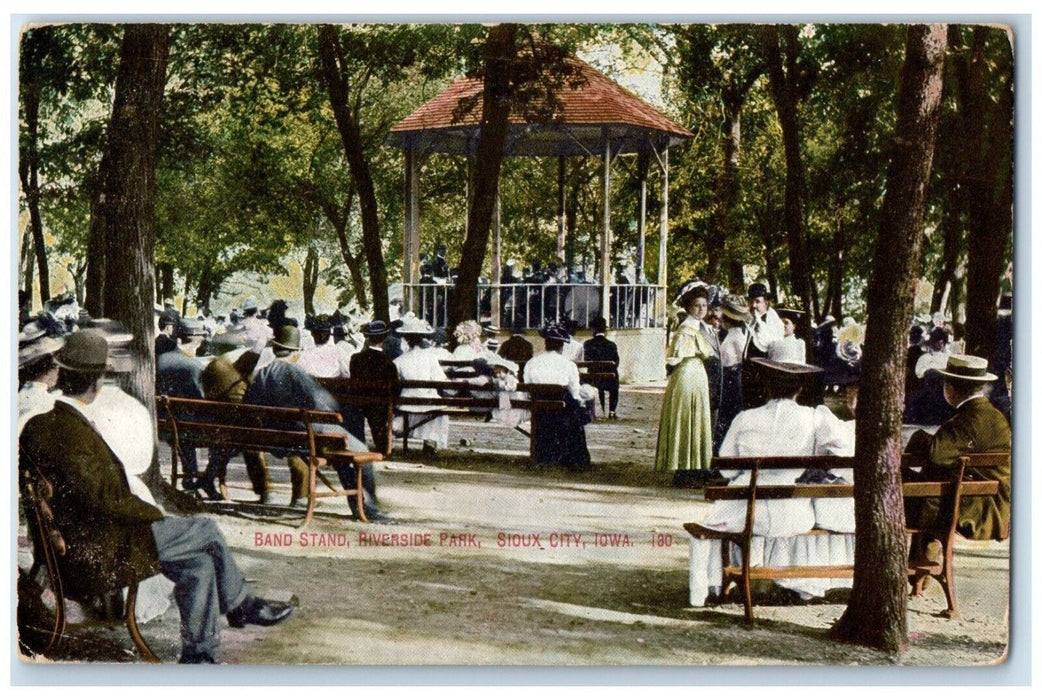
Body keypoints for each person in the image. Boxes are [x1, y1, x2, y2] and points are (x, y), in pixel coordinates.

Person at [20, 331, 294, 664]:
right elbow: (106, 499)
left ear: (62, 375)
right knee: (205, 529)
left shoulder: (41, 425)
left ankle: (199, 654)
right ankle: (242, 605)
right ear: (97, 382)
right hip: (99, 555)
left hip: (78, 549)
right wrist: (155, 516)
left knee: (199, 562)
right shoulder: (71, 430)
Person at [688, 359, 853, 606]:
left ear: (765, 386)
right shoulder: (813, 418)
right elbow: (844, 448)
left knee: (715, 519)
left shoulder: (745, 418)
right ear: (800, 387)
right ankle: (795, 584)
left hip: (744, 513)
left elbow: (726, 469)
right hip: (793, 513)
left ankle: (707, 588)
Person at [244, 326, 385, 520]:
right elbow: (323, 403)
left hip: (277, 437)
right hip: (308, 437)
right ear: (296, 352)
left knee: (342, 453)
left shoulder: (259, 375)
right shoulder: (295, 372)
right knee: (361, 453)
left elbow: (249, 404)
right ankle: (368, 508)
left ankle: (361, 505)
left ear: (276, 349)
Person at [904, 354, 1011, 546]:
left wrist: (919, 437)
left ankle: (916, 567)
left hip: (971, 509)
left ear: (950, 388)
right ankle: (919, 567)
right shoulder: (996, 417)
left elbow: (937, 454)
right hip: (994, 506)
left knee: (898, 486)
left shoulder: (965, 421)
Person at [156, 319, 221, 500]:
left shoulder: (160, 360)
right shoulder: (193, 367)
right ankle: (207, 479)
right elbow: (201, 402)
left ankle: (190, 478)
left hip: (164, 423)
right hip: (185, 426)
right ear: (197, 341)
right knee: (226, 439)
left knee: (185, 429)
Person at [654, 282, 714, 473]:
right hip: (688, 374)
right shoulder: (687, 328)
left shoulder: (700, 326)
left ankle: (694, 466)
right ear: (689, 307)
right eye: (697, 305)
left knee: (695, 417)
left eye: (704, 305)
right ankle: (685, 467)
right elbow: (674, 357)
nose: (701, 309)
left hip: (697, 374)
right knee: (688, 417)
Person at [522, 322, 592, 469]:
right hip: (562, 408)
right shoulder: (568, 365)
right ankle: (575, 458)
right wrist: (582, 403)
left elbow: (527, 386)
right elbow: (575, 392)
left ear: (546, 343)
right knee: (575, 412)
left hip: (539, 407)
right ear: (561, 346)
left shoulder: (532, 362)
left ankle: (544, 455)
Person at [393, 314, 451, 451]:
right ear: (422, 338)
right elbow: (440, 380)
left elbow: (397, 382)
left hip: (407, 401)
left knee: (416, 407)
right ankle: (430, 441)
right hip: (427, 400)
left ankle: (412, 436)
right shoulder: (430, 357)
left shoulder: (399, 360)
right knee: (439, 411)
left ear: (406, 339)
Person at [349, 320, 401, 454]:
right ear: (383, 339)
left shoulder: (356, 359)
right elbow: (395, 387)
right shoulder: (388, 362)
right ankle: (382, 446)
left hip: (358, 401)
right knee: (378, 414)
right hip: (379, 404)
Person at [715, 294, 752, 453]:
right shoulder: (730, 334)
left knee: (729, 418)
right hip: (726, 378)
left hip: (733, 380)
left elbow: (743, 359)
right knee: (723, 418)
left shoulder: (738, 336)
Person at [583, 317, 620, 419]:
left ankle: (589, 410)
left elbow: (586, 361)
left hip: (593, 379)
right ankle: (612, 411)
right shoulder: (612, 345)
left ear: (593, 330)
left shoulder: (588, 344)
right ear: (605, 330)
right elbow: (616, 362)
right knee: (615, 381)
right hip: (609, 380)